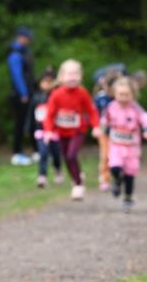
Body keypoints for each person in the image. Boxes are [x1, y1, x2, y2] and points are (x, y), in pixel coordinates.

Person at [43, 59, 102, 201]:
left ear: (80, 76)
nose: (72, 77)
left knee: (71, 155)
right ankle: (77, 175)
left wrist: (96, 126)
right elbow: (49, 114)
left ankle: (78, 185)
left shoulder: (82, 93)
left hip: (78, 131)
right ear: (61, 77)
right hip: (62, 132)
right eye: (69, 74)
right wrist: (48, 131)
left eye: (76, 74)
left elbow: (91, 111)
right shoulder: (56, 94)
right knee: (67, 158)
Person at [101, 76, 147, 212]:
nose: (123, 98)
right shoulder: (111, 107)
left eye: (126, 95)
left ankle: (128, 198)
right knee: (115, 166)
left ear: (133, 94)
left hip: (132, 147)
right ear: (114, 93)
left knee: (130, 173)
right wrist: (101, 129)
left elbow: (145, 119)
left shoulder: (136, 108)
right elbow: (104, 120)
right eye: (120, 94)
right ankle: (117, 181)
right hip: (116, 145)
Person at [7, 26, 35, 166]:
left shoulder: (24, 52)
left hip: (26, 93)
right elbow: (17, 75)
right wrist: (23, 93)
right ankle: (17, 153)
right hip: (20, 95)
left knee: (27, 123)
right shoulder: (16, 54)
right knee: (20, 124)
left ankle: (26, 151)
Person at [32, 67, 63, 187]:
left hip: (54, 131)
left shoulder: (56, 97)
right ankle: (42, 175)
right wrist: (29, 128)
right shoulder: (36, 97)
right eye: (44, 82)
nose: (46, 84)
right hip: (41, 130)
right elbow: (32, 114)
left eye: (50, 82)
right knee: (43, 153)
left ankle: (58, 170)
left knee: (56, 154)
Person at [93, 73, 116, 192]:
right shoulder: (100, 98)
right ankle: (104, 178)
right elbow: (94, 113)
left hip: (118, 132)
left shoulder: (121, 98)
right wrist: (95, 127)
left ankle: (117, 176)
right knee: (105, 155)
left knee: (117, 156)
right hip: (104, 131)